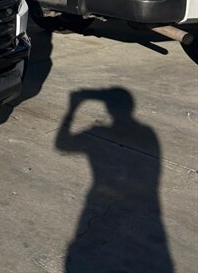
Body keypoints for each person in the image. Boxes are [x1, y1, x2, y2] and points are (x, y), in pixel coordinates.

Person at [56, 87, 173, 272]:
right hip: (146, 209)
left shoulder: (99, 132)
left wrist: (72, 109)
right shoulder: (147, 133)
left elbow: (62, 143)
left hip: (101, 200)